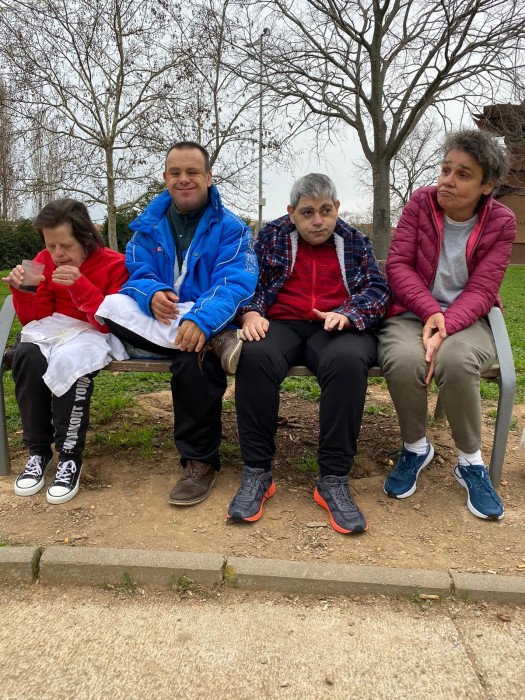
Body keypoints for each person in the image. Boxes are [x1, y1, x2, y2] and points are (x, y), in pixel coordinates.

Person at [228, 174, 390, 534]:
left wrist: (349, 313)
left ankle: (333, 478)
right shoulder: (271, 237)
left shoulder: (355, 241)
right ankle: (257, 472)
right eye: (307, 213)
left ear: (337, 208)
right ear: (291, 212)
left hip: (336, 323)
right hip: (281, 322)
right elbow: (249, 281)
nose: (318, 221)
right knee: (255, 355)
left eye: (325, 211)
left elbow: (378, 289)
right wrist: (251, 312)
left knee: (347, 362)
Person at [101, 141, 258, 506]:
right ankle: (217, 343)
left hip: (207, 315)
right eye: (175, 173)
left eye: (192, 172)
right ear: (165, 177)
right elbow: (136, 273)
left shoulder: (232, 228)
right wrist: (151, 294)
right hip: (166, 317)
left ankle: (199, 462)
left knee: (193, 362)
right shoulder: (147, 226)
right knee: (110, 305)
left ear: (208, 177)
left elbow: (235, 282)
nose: (183, 179)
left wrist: (202, 320)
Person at [378, 129, 516, 520]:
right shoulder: (420, 204)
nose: (447, 181)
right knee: (404, 359)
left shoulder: (502, 222)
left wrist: (446, 324)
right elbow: (398, 266)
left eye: (463, 174)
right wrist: (430, 312)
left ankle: (470, 461)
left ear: (486, 185)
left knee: (455, 359)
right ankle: (415, 447)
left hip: (470, 318)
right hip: (411, 312)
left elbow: (484, 288)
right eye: (445, 169)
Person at [2, 198, 129, 504]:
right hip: (52, 330)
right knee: (26, 354)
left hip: (95, 333)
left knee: (73, 361)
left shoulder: (115, 264)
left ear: (86, 238)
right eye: (50, 245)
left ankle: (69, 456)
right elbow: (35, 320)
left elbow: (114, 322)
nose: (57, 254)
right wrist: (23, 291)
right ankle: (38, 452)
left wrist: (80, 285)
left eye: (66, 246)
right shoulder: (44, 261)